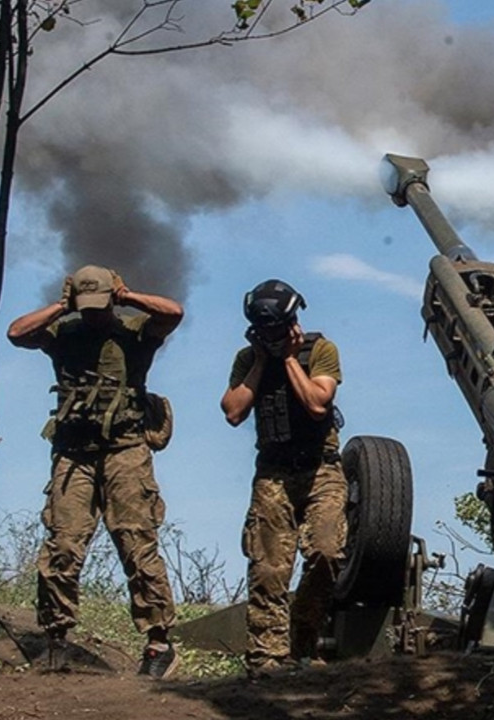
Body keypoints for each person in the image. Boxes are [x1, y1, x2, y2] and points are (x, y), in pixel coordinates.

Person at [6, 265, 182, 679]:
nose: (93, 314)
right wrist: (61, 306)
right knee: (62, 547)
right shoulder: (62, 334)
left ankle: (159, 644)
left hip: (125, 451)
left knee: (137, 545)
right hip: (73, 454)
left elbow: (173, 313)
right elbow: (16, 334)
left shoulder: (135, 331)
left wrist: (128, 296)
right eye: (85, 307)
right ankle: (56, 640)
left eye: (99, 305)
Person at [220, 279, 346, 676]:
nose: (272, 336)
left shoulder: (320, 350)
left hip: (321, 469)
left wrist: (290, 359)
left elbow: (315, 403)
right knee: (269, 567)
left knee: (326, 552)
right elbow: (233, 411)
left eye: (278, 328)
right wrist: (261, 362)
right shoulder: (247, 359)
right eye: (264, 331)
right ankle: (266, 657)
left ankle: (302, 639)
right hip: (273, 472)